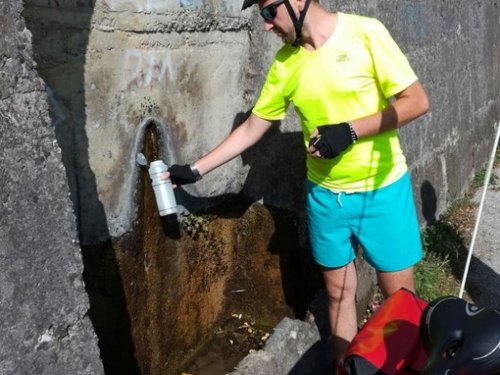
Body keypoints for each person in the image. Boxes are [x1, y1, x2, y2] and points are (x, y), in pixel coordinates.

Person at [162, 0, 430, 367]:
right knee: (338, 295)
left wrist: (350, 132)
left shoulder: (366, 33)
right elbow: (253, 127)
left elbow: (416, 101)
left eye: (269, 12)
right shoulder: (286, 64)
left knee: (400, 303)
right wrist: (194, 170)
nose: (266, 26)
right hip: (324, 198)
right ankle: (346, 370)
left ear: (299, 2)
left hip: (382, 189)